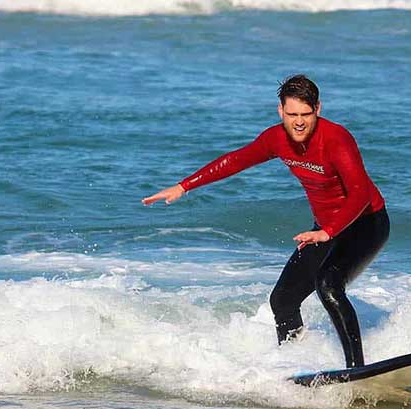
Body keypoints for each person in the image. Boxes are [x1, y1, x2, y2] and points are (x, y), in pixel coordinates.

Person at [143, 74, 389, 368]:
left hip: (365, 224)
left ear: (318, 110)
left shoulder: (336, 138)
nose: (299, 122)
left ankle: (356, 369)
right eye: (292, 114)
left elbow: (360, 192)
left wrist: (329, 231)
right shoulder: (276, 138)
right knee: (283, 300)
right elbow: (237, 160)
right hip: (325, 228)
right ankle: (295, 363)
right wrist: (184, 186)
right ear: (280, 111)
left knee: (329, 285)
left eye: (306, 114)